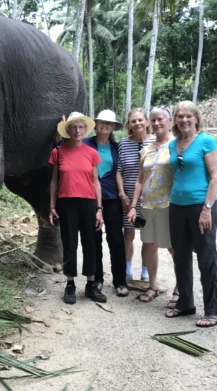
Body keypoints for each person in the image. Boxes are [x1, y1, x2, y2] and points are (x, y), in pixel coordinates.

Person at [165, 101, 217, 328]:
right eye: (179, 116)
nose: (184, 120)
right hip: (177, 206)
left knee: (206, 258)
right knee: (180, 257)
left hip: (201, 206)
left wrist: (207, 209)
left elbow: (216, 177)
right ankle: (186, 303)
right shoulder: (173, 144)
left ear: (196, 118)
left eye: (188, 115)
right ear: (175, 120)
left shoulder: (206, 141)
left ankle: (215, 310)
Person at [49, 112, 107, 304]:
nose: (77, 130)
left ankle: (91, 284)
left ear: (85, 130)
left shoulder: (91, 153)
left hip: (88, 202)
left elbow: (96, 182)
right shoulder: (58, 152)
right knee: (69, 243)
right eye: (73, 127)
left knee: (90, 242)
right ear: (67, 130)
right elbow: (54, 180)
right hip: (66, 203)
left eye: (81, 127)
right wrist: (52, 206)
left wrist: (99, 209)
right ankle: (70, 283)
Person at [127, 106, 177, 304]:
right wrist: (133, 206)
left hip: (169, 205)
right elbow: (140, 180)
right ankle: (152, 286)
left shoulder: (177, 145)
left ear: (169, 121)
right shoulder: (146, 149)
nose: (156, 123)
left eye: (160, 120)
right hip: (147, 205)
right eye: (153, 120)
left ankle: (180, 288)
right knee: (149, 245)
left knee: (173, 247)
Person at [83, 110, 129, 297]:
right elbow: (63, 147)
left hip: (111, 198)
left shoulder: (116, 147)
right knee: (94, 240)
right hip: (89, 196)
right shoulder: (86, 143)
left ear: (113, 128)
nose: (104, 126)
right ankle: (98, 279)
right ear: (96, 124)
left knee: (116, 238)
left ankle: (120, 280)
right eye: (101, 122)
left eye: (108, 124)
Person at [116, 109, 153, 281]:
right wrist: (122, 194)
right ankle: (127, 269)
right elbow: (119, 171)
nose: (137, 123)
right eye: (133, 121)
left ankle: (146, 270)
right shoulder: (123, 143)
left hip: (150, 198)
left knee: (148, 236)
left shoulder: (156, 142)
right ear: (129, 125)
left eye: (140, 120)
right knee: (128, 234)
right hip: (128, 197)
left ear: (147, 122)